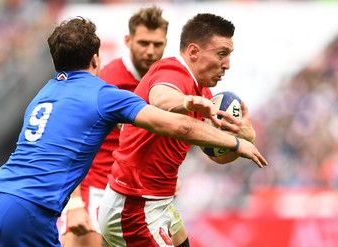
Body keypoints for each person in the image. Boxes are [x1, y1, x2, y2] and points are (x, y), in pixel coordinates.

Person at [0, 16, 267, 247]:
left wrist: (244, 136)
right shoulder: (104, 93)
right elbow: (169, 117)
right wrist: (237, 143)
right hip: (36, 205)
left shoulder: (43, 94)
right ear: (96, 60)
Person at [98, 13, 260, 247]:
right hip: (135, 205)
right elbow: (161, 97)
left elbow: (217, 155)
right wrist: (186, 103)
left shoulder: (202, 92)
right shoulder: (171, 72)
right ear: (194, 52)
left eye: (229, 55)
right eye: (222, 54)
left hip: (157, 201)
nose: (227, 64)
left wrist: (245, 137)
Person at [58, 5, 170, 247]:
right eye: (143, 43)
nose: (150, 51)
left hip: (139, 195)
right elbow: (69, 142)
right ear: (128, 41)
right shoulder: (107, 81)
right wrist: (75, 202)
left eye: (157, 44)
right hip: (96, 189)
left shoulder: (166, 83)